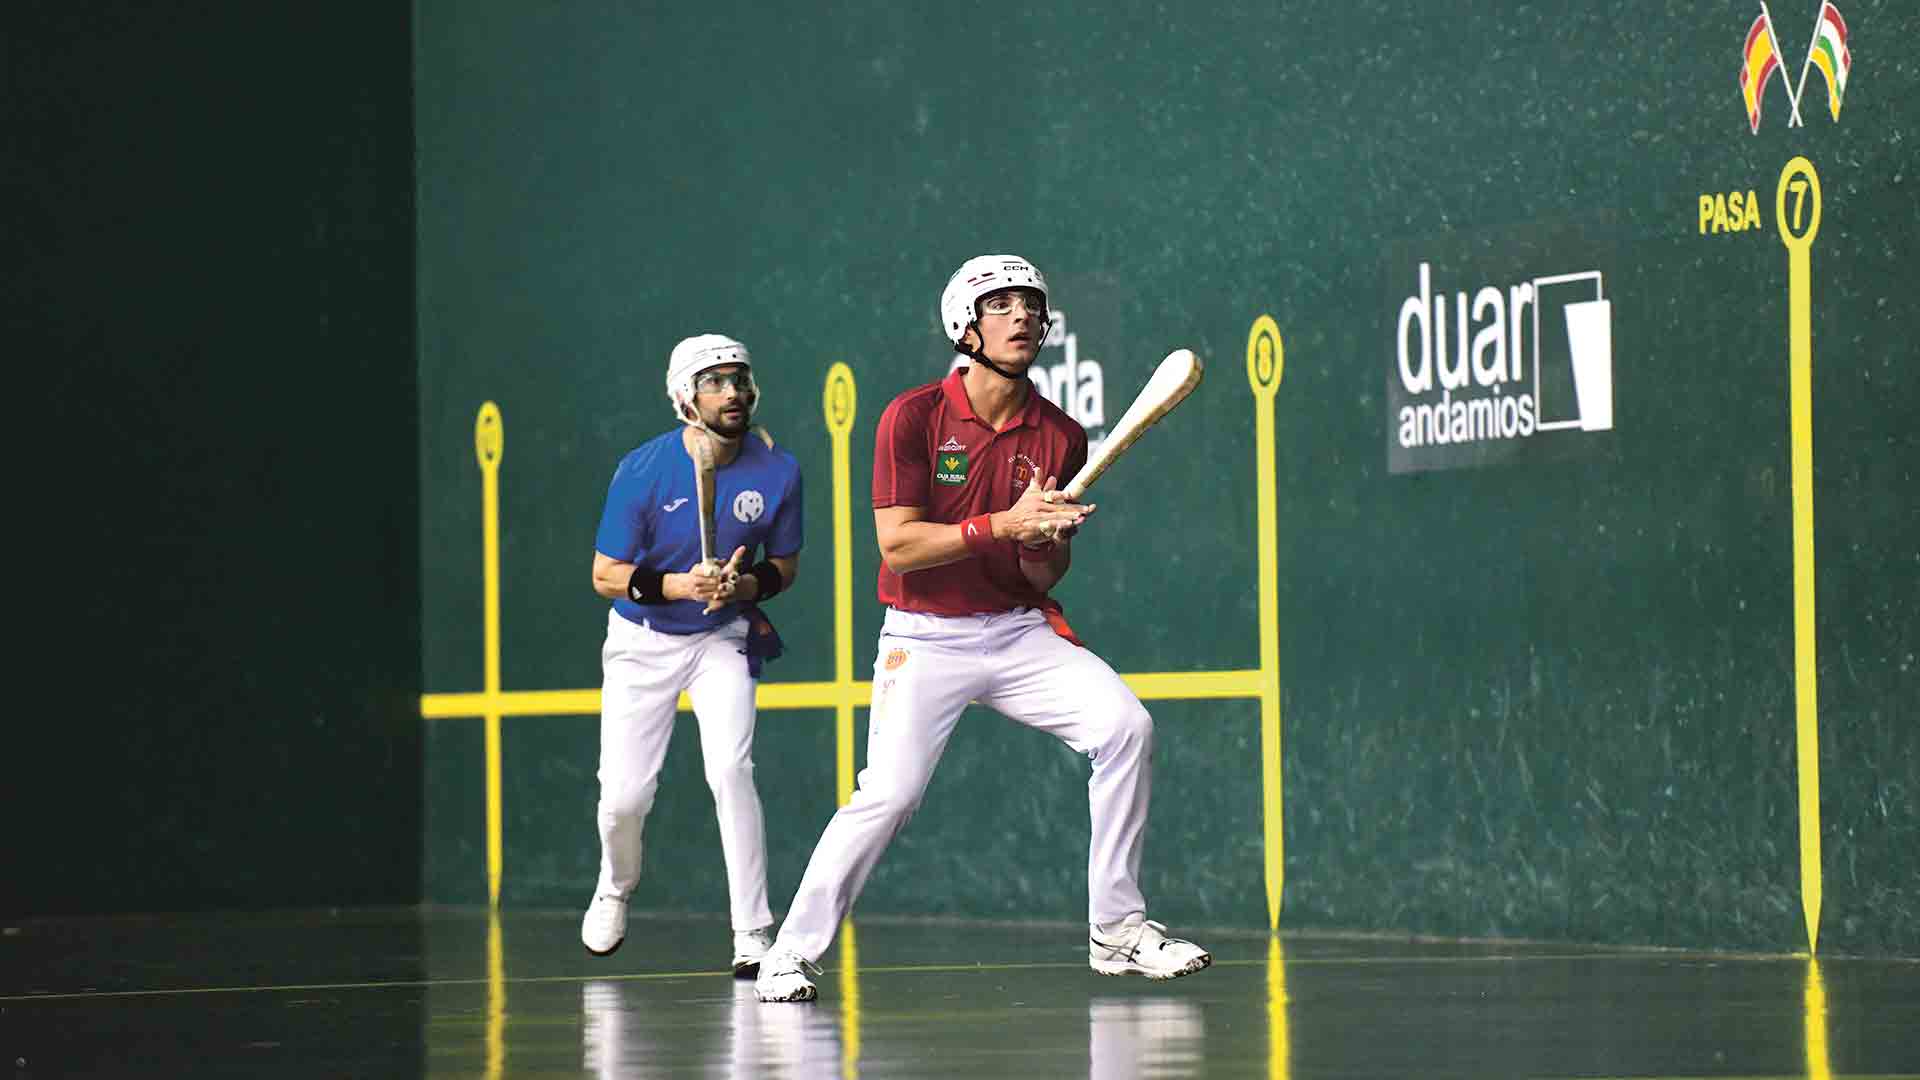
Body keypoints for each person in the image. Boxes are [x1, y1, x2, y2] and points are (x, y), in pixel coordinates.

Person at [755, 255, 1210, 1003]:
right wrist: (1004, 523)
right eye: (1002, 305)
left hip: (1017, 631)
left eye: (1032, 305)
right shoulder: (914, 416)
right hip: (924, 636)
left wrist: (1041, 544)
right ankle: (791, 953)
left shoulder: (1059, 434)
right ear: (965, 327)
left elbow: (1040, 577)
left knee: (1126, 727)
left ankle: (1119, 931)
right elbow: (898, 545)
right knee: (891, 793)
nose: (1024, 316)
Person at [582, 333, 803, 977]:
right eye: (714, 382)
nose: (732, 392)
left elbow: (784, 567)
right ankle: (615, 886)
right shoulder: (643, 470)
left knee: (732, 771)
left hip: (719, 640)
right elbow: (604, 574)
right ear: (686, 396)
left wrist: (744, 585)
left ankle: (753, 930)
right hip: (641, 643)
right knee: (624, 798)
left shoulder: (778, 470)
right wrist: (679, 584)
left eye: (739, 379)